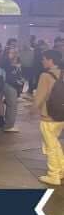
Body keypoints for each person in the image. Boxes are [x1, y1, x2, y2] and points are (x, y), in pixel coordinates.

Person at [34, 50, 63, 186]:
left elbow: (40, 96)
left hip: (48, 115)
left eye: (44, 59)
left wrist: (33, 109)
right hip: (61, 115)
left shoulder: (45, 75)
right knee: (55, 142)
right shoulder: (62, 73)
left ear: (51, 60)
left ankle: (53, 175)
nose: (42, 61)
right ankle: (61, 169)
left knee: (50, 145)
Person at [1, 46, 25, 132]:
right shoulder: (6, 63)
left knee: (11, 105)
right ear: (7, 53)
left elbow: (18, 74)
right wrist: (17, 81)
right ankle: (9, 126)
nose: (14, 54)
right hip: (9, 85)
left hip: (14, 85)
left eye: (15, 52)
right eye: (11, 52)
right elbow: (9, 77)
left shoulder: (15, 62)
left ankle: (8, 124)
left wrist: (21, 80)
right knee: (12, 106)